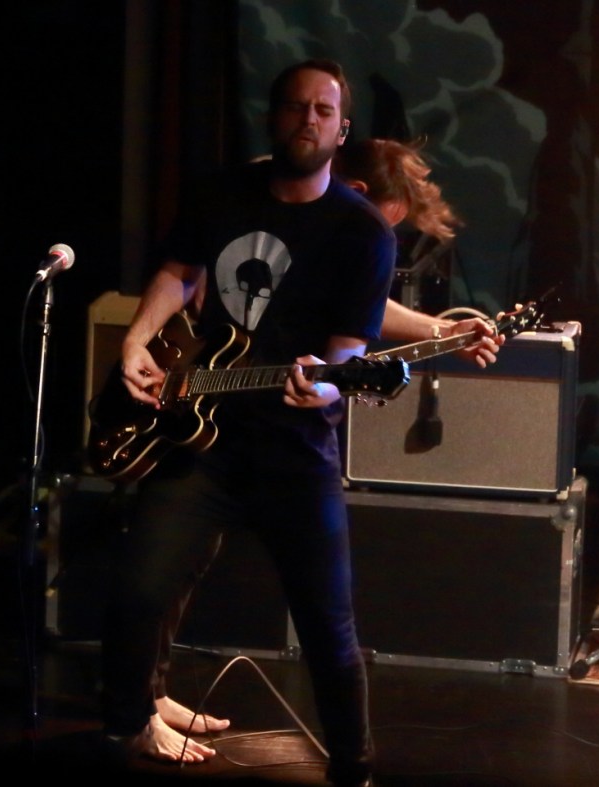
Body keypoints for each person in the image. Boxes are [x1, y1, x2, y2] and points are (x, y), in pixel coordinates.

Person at [99, 59, 501, 787]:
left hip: (293, 452)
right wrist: (135, 341)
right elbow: (178, 272)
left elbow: (348, 351)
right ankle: (131, 721)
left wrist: (326, 385)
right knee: (136, 588)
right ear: (273, 116)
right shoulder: (220, 193)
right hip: (201, 438)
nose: (307, 119)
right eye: (295, 106)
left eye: (323, 110)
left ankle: (354, 766)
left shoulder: (361, 232)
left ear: (341, 130)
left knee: (327, 628)